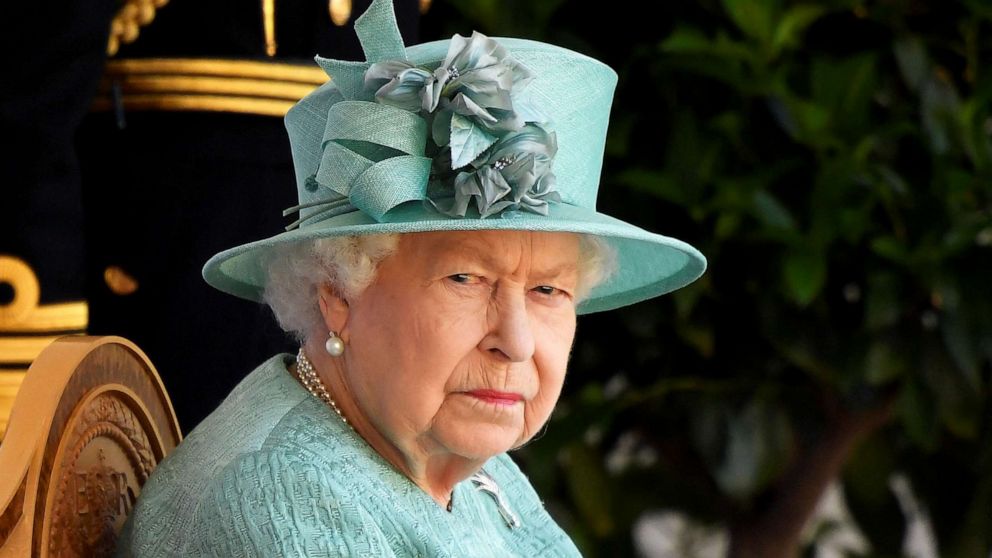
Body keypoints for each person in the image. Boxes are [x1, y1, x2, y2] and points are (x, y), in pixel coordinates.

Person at [115, 0, 706, 555]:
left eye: (548, 290)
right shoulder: (282, 493)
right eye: (466, 279)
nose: (517, 342)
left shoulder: (466, 463)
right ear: (337, 291)